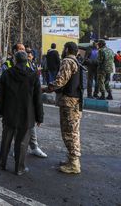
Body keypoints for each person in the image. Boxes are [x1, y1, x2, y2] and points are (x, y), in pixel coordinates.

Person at [0, 51, 43, 175]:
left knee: (6, 140)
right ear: (27, 61)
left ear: (15, 61)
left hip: (9, 113)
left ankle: (2, 163)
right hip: (26, 115)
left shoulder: (6, 74)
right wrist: (39, 117)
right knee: (22, 143)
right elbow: (37, 99)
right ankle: (19, 168)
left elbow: (1, 96)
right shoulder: (33, 76)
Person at [43, 42, 83, 174]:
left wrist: (45, 89)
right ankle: (72, 159)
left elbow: (60, 82)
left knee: (69, 132)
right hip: (75, 102)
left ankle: (74, 164)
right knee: (72, 131)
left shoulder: (67, 61)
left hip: (69, 102)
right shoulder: (76, 61)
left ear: (66, 49)